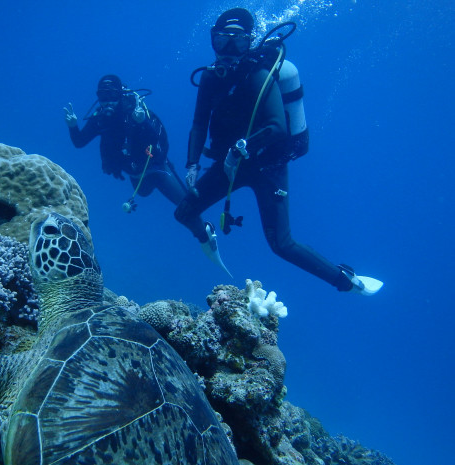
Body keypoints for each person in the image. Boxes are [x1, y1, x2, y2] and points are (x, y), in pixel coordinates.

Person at [174, 8, 382, 295]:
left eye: (239, 41)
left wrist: (238, 149)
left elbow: (277, 127)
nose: (229, 49)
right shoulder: (210, 79)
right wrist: (192, 163)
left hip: (267, 167)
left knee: (281, 245)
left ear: (250, 42)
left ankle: (348, 281)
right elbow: (198, 122)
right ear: (213, 41)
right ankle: (206, 234)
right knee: (183, 212)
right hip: (228, 166)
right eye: (222, 41)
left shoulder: (259, 76)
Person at [63, 74, 189, 215]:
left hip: (157, 167)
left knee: (187, 206)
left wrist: (143, 122)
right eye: (103, 96)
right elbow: (80, 142)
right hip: (135, 174)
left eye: (112, 95)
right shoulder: (100, 119)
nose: (108, 102)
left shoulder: (134, 112)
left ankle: (206, 233)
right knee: (143, 192)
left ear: (120, 94)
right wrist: (73, 126)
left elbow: (155, 139)